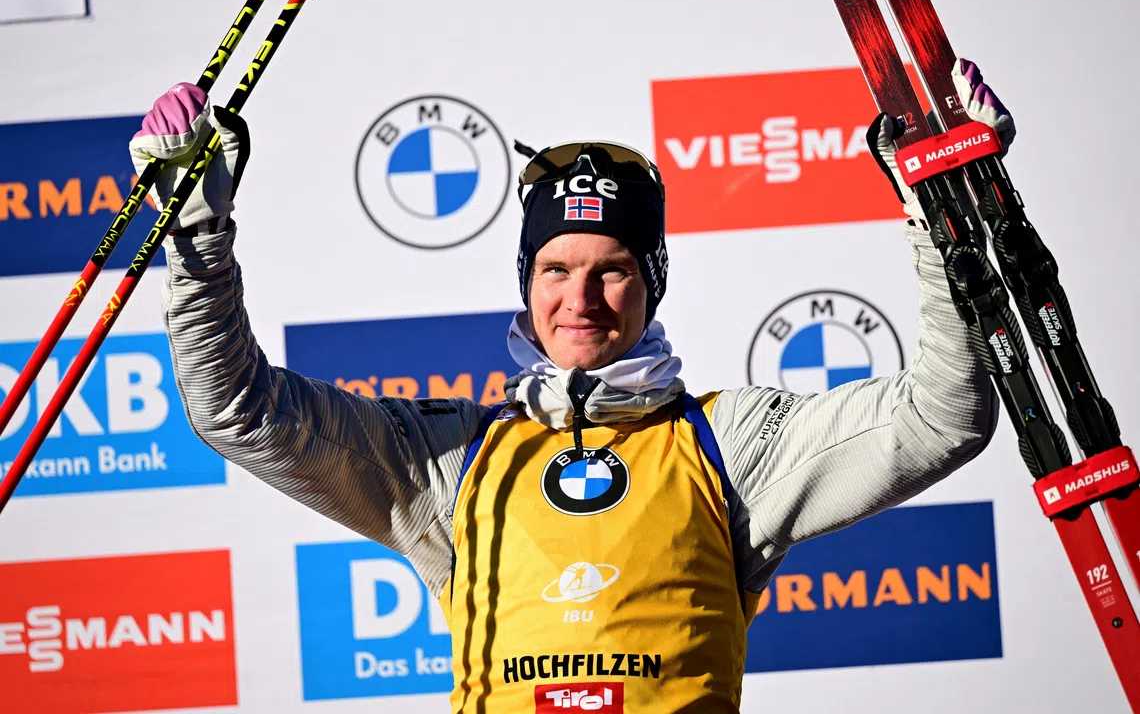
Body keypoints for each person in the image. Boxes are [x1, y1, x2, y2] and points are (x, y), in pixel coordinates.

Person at [134, 58, 1008, 713]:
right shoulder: (449, 460)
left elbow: (943, 414)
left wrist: (945, 209)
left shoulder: (736, 444)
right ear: (527, 279)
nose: (579, 299)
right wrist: (198, 235)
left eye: (612, 269)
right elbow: (239, 411)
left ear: (652, 280)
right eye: (555, 268)